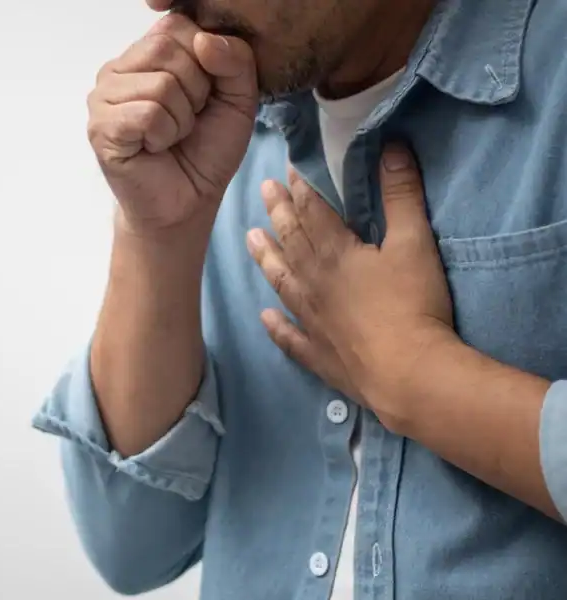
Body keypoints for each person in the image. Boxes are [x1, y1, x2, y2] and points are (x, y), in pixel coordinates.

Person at [33, 0, 567, 597]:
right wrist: (154, 237)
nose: (158, 2)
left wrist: (418, 379)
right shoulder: (213, 122)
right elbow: (132, 549)